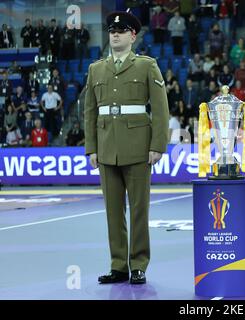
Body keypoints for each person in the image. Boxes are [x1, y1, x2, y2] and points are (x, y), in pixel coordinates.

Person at [84, 11, 169, 285]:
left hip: (138, 148)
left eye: (121, 31)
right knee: (112, 211)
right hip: (107, 149)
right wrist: (91, 148)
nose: (115, 35)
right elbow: (90, 112)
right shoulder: (96, 69)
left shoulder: (146, 66)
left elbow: (160, 109)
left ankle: (139, 264)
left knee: (139, 210)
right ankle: (118, 265)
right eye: (112, 31)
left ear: (133, 36)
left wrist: (157, 145)